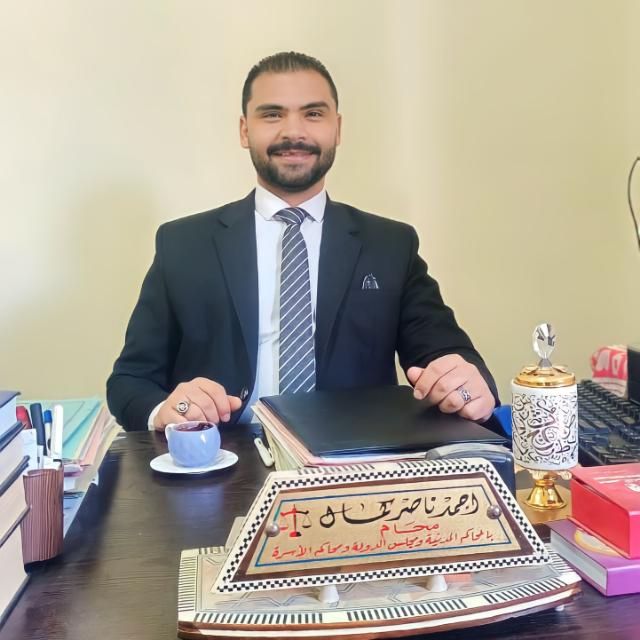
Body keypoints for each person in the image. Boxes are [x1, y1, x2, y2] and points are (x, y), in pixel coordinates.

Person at [106, 51, 499, 432]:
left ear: (337, 129)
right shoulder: (183, 244)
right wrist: (166, 410)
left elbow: (451, 358)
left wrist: (468, 385)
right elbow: (129, 382)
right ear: (244, 130)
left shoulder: (391, 245)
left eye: (313, 114)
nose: (293, 132)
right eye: (272, 114)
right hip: (224, 459)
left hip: (351, 460)